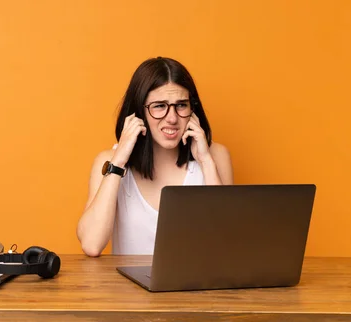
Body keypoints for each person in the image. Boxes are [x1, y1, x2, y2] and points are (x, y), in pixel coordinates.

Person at [76, 57, 234, 257]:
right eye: (159, 106)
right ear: (139, 112)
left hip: (195, 287)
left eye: (181, 105)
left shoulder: (215, 156)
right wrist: (119, 161)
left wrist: (206, 161)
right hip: (128, 287)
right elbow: (91, 244)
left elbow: (228, 238)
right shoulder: (108, 161)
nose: (172, 118)